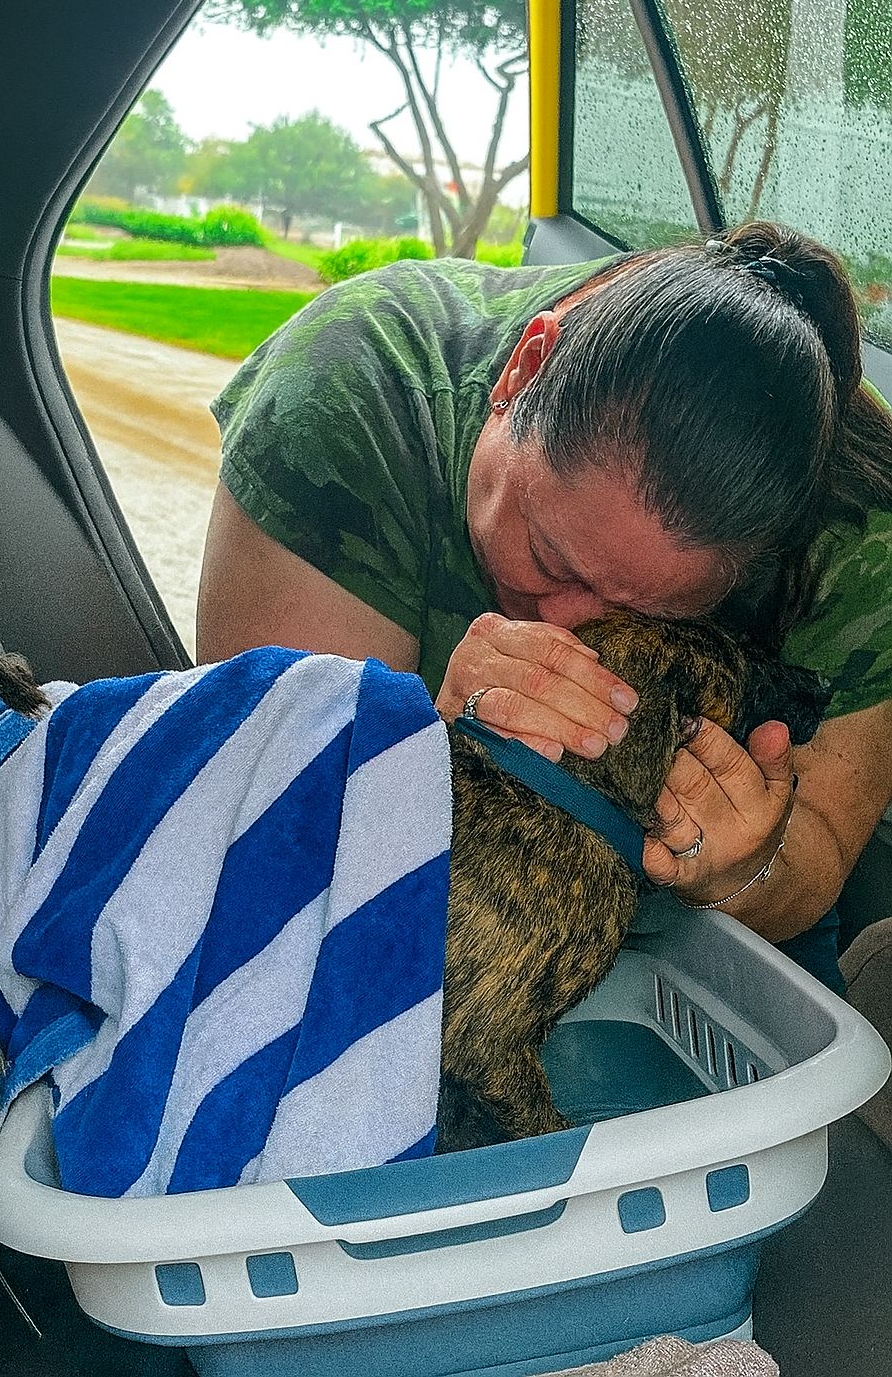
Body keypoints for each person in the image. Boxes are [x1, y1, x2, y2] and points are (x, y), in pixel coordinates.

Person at [197, 222, 892, 990]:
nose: (564, 629)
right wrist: (427, 746)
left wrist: (742, 871)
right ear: (520, 373)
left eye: (648, 614)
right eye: (548, 557)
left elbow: (817, 850)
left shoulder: (862, 531)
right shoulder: (345, 397)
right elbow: (267, 828)